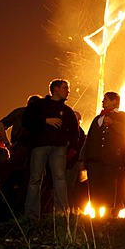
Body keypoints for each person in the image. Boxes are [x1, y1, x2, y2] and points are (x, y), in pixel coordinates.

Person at [22, 79, 79, 219]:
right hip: (40, 146)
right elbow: (27, 120)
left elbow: (74, 131)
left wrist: (69, 146)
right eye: (65, 88)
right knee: (36, 178)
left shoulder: (67, 111)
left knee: (59, 178)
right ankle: (31, 214)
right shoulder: (39, 105)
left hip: (59, 148)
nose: (68, 91)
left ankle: (61, 213)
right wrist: (45, 121)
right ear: (55, 89)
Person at [80, 92, 125, 217]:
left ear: (114, 101)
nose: (103, 101)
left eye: (105, 99)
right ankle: (96, 214)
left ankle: (107, 215)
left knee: (109, 186)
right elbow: (89, 139)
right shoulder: (97, 119)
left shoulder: (123, 116)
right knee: (94, 186)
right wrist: (83, 158)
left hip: (111, 159)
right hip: (94, 159)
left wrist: (113, 123)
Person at [0, 95, 41, 215]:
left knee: (12, 180)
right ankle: (22, 212)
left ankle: (9, 211)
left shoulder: (19, 112)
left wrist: (7, 143)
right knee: (28, 182)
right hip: (29, 151)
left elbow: (0, 124)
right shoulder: (39, 115)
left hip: (17, 150)